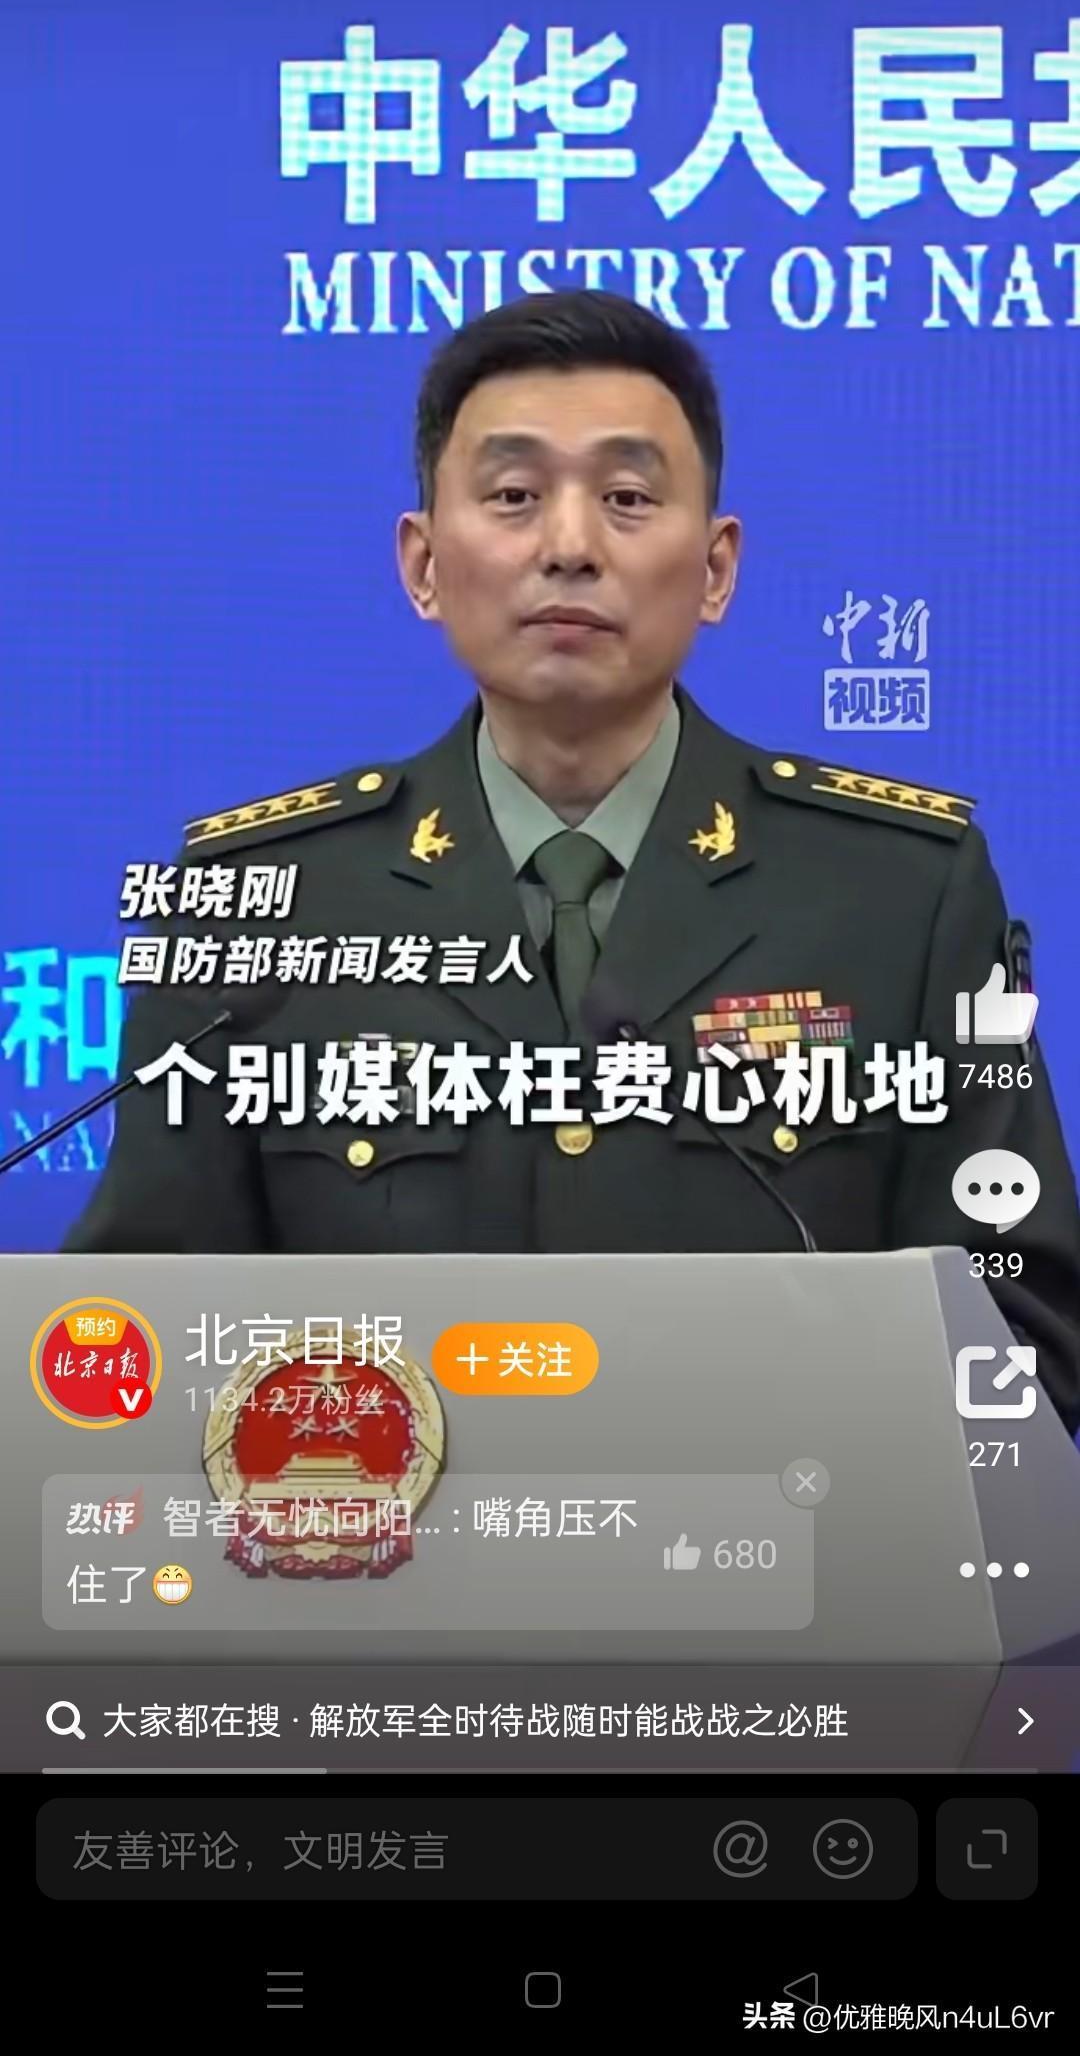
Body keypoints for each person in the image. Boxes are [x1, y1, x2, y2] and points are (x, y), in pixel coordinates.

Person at [63, 290, 1080, 1433]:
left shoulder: (901, 888)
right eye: (512, 495)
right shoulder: (261, 907)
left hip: (781, 1539)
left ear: (716, 567)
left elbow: (1019, 1329)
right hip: (380, 1540)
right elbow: (136, 1342)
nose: (569, 546)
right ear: (424, 563)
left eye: (628, 498)